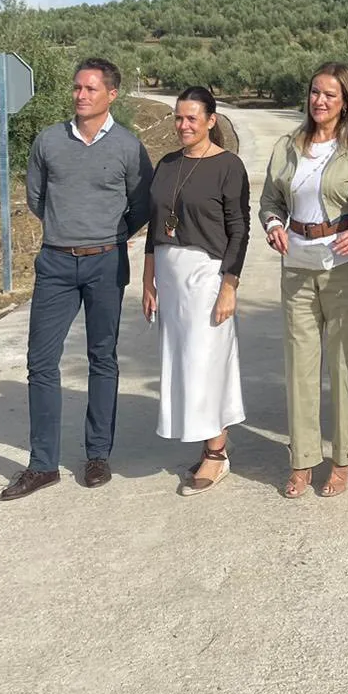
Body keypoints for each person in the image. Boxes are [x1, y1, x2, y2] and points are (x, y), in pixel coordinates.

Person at [0, 57, 153, 501]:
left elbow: (141, 204)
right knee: (40, 361)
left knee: (102, 358)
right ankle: (42, 464)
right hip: (55, 264)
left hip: (106, 262)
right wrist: (67, 229)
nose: (80, 95)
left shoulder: (128, 145)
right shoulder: (48, 140)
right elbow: (36, 197)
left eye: (89, 89)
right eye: (76, 88)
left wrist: (112, 234)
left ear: (111, 94)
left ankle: (97, 456)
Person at [259, 63, 348, 499]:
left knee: (347, 363)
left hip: (347, 264)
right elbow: (271, 198)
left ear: (346, 101)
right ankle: (302, 460)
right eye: (314, 93)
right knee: (299, 364)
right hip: (297, 262)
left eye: (329, 94)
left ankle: (344, 460)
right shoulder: (288, 146)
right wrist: (273, 224)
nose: (319, 101)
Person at [143, 87, 250, 495]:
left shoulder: (228, 166)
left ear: (211, 120)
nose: (183, 125)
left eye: (191, 118)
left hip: (207, 276)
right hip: (169, 275)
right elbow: (155, 227)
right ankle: (208, 438)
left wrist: (229, 286)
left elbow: (239, 229)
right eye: (178, 117)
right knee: (181, 363)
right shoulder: (167, 164)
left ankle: (216, 454)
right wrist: (148, 279)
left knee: (206, 364)